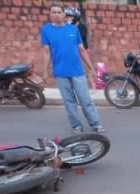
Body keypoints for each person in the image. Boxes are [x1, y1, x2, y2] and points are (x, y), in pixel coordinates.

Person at [40, 3, 104, 134]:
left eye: (59, 12)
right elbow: (46, 52)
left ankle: (95, 124)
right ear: (50, 14)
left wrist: (91, 68)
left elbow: (82, 49)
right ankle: (76, 126)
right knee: (69, 102)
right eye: (53, 12)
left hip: (77, 71)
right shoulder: (46, 30)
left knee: (85, 100)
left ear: (64, 15)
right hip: (60, 72)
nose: (56, 14)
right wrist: (45, 71)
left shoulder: (73, 30)